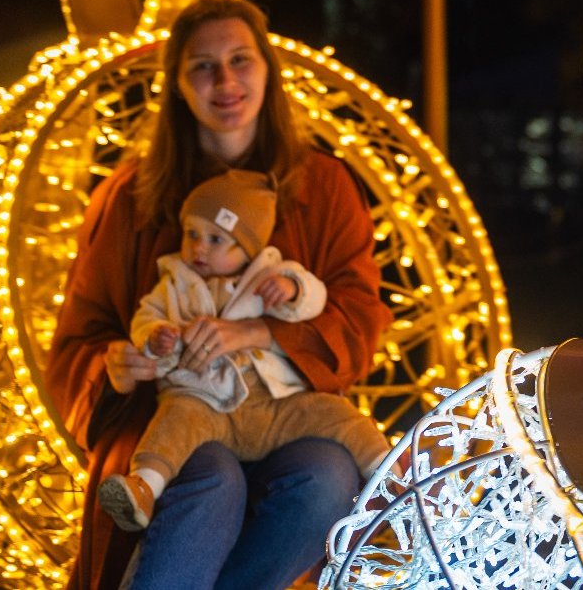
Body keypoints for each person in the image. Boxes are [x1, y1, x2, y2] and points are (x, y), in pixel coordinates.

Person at [46, 0, 393, 590]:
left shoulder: (326, 187)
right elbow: (80, 337)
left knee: (330, 475)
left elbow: (360, 314)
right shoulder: (131, 197)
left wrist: (259, 330)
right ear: (178, 85)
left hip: (283, 412)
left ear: (268, 71)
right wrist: (120, 365)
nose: (225, 81)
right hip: (175, 413)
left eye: (241, 60)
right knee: (211, 479)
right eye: (203, 67)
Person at [96, 168, 389, 532]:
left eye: (217, 239)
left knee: (335, 412)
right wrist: (155, 337)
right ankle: (143, 487)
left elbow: (314, 299)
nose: (199, 247)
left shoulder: (268, 275)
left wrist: (293, 289)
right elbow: (146, 318)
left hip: (272, 402)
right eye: (192, 234)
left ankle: (390, 478)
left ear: (248, 248)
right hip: (205, 401)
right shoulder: (173, 284)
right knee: (172, 424)